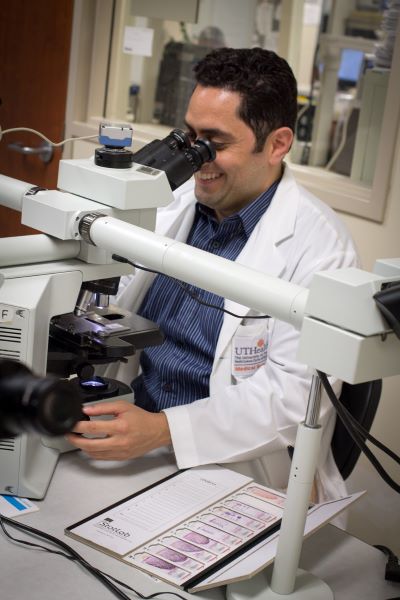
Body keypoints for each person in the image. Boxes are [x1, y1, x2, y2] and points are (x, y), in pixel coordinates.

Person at [66, 47, 358, 503]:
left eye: (215, 144)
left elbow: (295, 399)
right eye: (189, 137)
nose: (195, 158)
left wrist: (164, 430)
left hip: (234, 467)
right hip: (133, 437)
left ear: (277, 144)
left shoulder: (321, 248)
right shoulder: (170, 203)